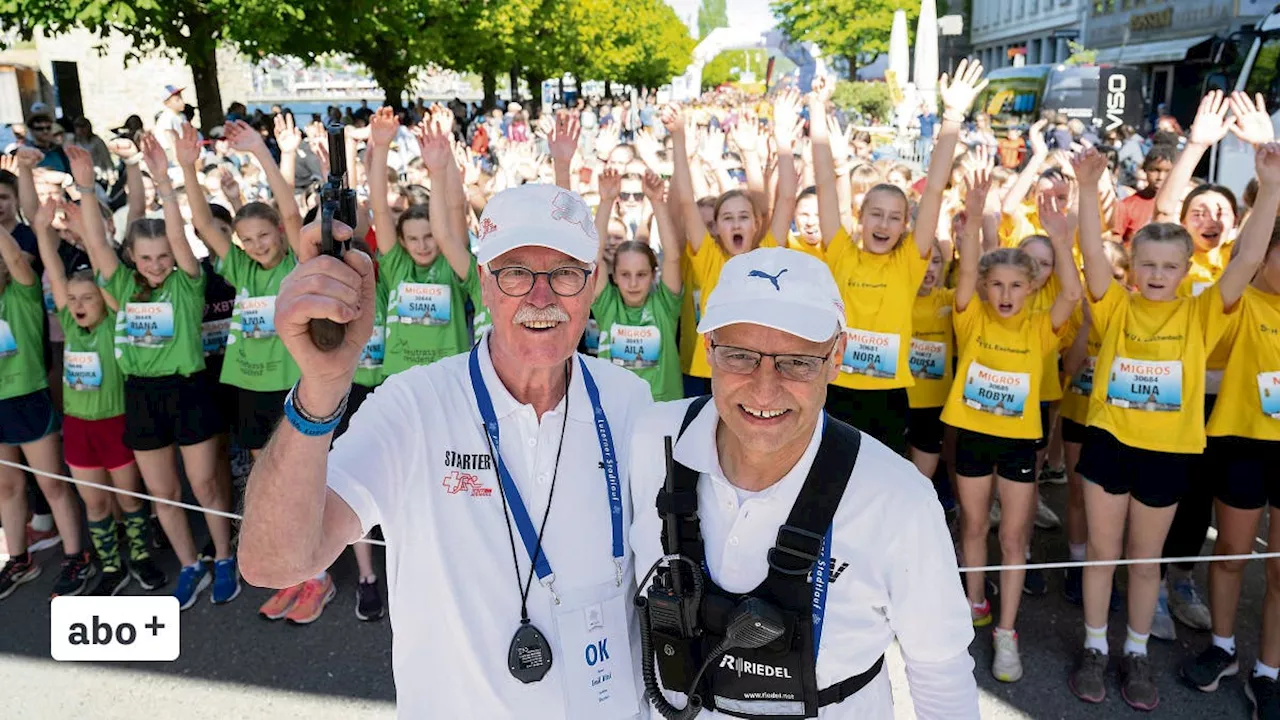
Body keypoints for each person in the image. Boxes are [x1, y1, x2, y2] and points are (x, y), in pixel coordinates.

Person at [239, 183, 654, 718]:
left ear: (593, 285)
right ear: (484, 284)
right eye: (515, 273)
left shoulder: (630, 401)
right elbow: (274, 562)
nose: (542, 297)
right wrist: (321, 386)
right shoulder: (413, 406)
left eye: (565, 274)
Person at [629, 247, 978, 718]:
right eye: (740, 356)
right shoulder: (650, 442)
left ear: (836, 358)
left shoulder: (898, 500)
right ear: (707, 348)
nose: (764, 389)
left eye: (796, 362)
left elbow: (941, 680)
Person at [1067, 142, 1275, 710]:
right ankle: (1093, 647)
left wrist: (1270, 186)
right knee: (1102, 555)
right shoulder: (1114, 305)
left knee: (1144, 560)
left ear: (1187, 271)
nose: (1157, 275)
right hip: (1110, 445)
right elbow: (1089, 248)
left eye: (1169, 267)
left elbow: (1247, 259)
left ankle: (1135, 653)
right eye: (1147, 265)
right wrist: (1088, 190)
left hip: (1168, 453)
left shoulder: (1202, 312)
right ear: (1132, 268)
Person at [82, 133, 239, 610]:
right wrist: (87, 188)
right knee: (162, 491)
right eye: (146, 258)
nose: (155, 265)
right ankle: (190, 564)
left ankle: (224, 557)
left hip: (188, 390)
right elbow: (94, 239)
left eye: (163, 257)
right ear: (132, 257)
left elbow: (177, 233)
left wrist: (164, 182)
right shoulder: (121, 285)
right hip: (141, 394)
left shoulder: (187, 284)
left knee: (206, 484)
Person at [943, 164, 1080, 682]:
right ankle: (975, 602)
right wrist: (977, 216)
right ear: (984, 287)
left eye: (1016, 285)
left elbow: (1070, 294)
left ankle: (1006, 632)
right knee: (975, 525)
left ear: (1030, 289)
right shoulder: (970, 314)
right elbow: (967, 271)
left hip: (1021, 443)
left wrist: (1063, 241)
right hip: (975, 437)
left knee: (1014, 539)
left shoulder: (1041, 326)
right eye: (996, 284)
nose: (1005, 294)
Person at [809, 60, 988, 452]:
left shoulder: (910, 260)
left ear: (907, 224)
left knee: (878, 496)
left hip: (888, 398)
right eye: (876, 214)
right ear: (859, 215)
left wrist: (954, 115)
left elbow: (937, 187)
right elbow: (823, 182)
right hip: (835, 389)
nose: (884, 224)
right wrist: (818, 108)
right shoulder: (840, 251)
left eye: (895, 217)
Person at [32, 187, 166, 596]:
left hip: (115, 422)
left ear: (103, 302)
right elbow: (55, 276)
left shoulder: (112, 322)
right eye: (71, 300)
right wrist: (42, 231)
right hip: (78, 427)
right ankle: (111, 566)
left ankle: (141, 559)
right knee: (95, 504)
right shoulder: (71, 325)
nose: (77, 305)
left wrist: (87, 234)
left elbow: (107, 273)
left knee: (128, 500)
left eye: (87, 298)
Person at [0, 196, 91, 600]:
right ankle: (19, 559)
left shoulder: (21, 293)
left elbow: (19, 261)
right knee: (7, 487)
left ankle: (76, 555)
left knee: (53, 485)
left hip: (28, 397)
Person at [366, 107, 479, 375]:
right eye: (413, 239)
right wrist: (381, 147)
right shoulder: (396, 264)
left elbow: (454, 206)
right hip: (399, 378)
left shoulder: (453, 263)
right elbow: (380, 208)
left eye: (429, 236)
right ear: (402, 242)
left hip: (450, 377)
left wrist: (442, 160)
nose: (423, 245)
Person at [592, 168, 683, 400]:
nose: (633, 283)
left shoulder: (665, 305)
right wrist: (606, 201)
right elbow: (593, 256)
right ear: (613, 274)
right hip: (616, 405)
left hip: (663, 406)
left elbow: (672, 256)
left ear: (654, 275)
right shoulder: (606, 305)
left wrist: (657, 202)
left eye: (641, 274)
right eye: (625, 274)